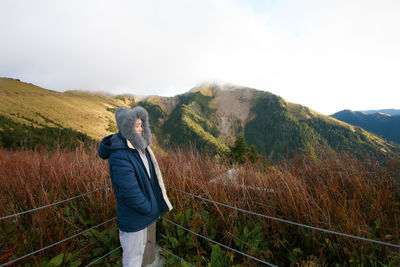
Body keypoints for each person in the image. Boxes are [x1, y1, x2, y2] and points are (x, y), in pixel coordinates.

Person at [98, 106, 173, 266]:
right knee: (133, 257)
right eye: (136, 126)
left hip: (140, 215)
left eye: (141, 125)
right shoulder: (120, 155)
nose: (141, 129)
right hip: (135, 217)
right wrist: (148, 208)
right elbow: (129, 191)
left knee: (139, 252)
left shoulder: (137, 146)